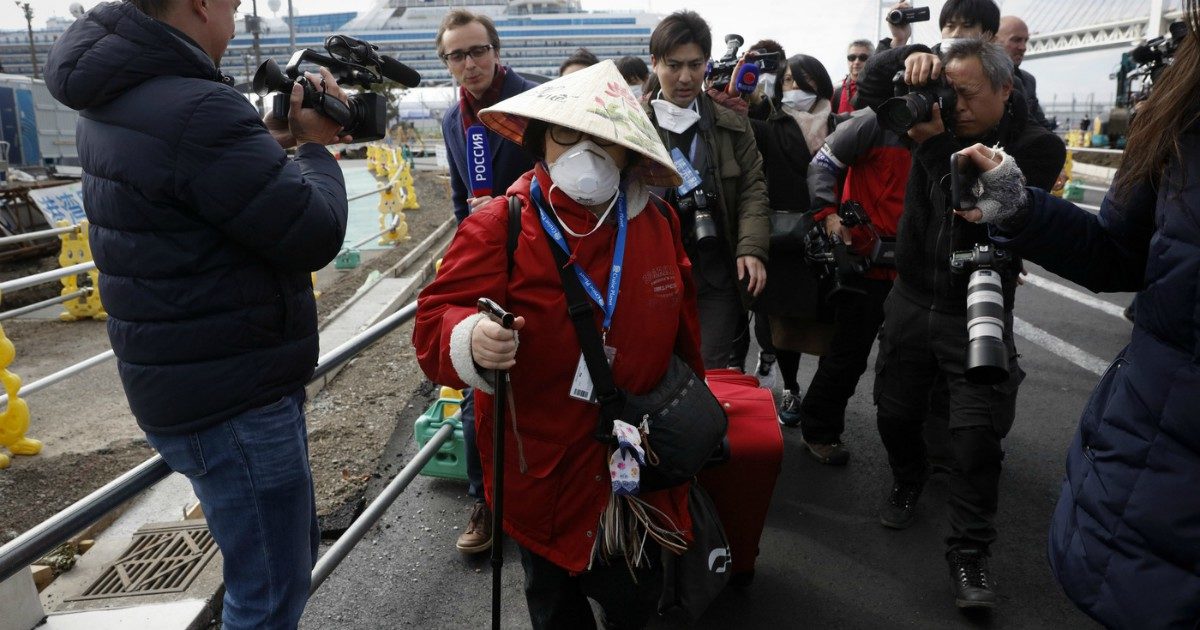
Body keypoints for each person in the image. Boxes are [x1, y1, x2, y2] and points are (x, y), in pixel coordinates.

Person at [43, 0, 350, 627]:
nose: (238, 11)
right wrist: (316, 149)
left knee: (265, 575)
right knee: (269, 591)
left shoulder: (119, 93)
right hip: (236, 397)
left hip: (186, 381)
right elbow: (313, 232)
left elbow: (184, 180)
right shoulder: (197, 107)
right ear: (200, 4)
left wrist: (267, 143)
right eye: (234, 2)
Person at [413, 60, 701, 629]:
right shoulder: (501, 223)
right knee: (553, 607)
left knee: (636, 603)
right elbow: (432, 323)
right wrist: (469, 338)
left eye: (606, 140)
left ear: (631, 154)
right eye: (568, 133)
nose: (586, 153)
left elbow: (686, 335)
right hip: (538, 466)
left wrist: (691, 421)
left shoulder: (658, 220)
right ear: (542, 141)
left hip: (637, 461)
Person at [954, 2, 1200, 624]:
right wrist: (1018, 205)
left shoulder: (1037, 132)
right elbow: (1117, 253)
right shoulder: (1182, 107)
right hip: (1159, 469)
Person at [870, 39, 1065, 610]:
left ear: (1006, 88)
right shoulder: (928, 112)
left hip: (976, 304)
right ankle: (908, 478)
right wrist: (909, 58)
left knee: (976, 438)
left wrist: (932, 145)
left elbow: (978, 200)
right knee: (895, 412)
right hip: (911, 296)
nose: (951, 103)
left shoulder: (1037, 147)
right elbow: (874, 90)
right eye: (946, 89)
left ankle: (970, 553)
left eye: (967, 93)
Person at [437, 8, 540, 555]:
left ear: (496, 52)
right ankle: (485, 500)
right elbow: (459, 201)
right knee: (480, 383)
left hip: (547, 264)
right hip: (488, 270)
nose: (470, 63)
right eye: (457, 55)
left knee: (547, 383)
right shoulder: (453, 122)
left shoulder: (536, 99)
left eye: (478, 51)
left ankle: (545, 500)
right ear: (446, 62)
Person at [792, 80, 911, 465]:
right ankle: (819, 431)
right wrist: (828, 216)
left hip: (919, 269)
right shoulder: (871, 122)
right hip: (866, 264)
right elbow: (821, 166)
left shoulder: (953, 124)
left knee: (916, 364)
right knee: (847, 357)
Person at [645, 10, 770, 369]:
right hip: (652, 274)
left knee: (708, 370)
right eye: (674, 65)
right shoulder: (633, 126)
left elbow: (752, 188)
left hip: (714, 271)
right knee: (652, 369)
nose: (685, 77)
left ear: (707, 64)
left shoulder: (731, 123)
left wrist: (752, 249)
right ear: (654, 63)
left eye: (695, 65)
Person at [746, 54, 836, 423]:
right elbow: (744, 125)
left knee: (832, 321)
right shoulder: (770, 122)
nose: (794, 89)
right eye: (786, 81)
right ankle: (791, 389)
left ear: (820, 85)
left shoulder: (840, 123)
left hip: (829, 235)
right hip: (785, 236)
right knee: (783, 321)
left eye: (802, 81)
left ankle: (823, 399)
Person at [995, 16, 1051, 129]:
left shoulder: (1028, 80)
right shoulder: (976, 76)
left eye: (1025, 41)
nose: (1023, 47)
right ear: (993, 40)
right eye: (1016, 40)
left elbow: (1040, 124)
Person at [832, 39, 872, 114]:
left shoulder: (880, 89)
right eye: (852, 57)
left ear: (873, 59)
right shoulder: (836, 90)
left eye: (863, 57)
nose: (856, 62)